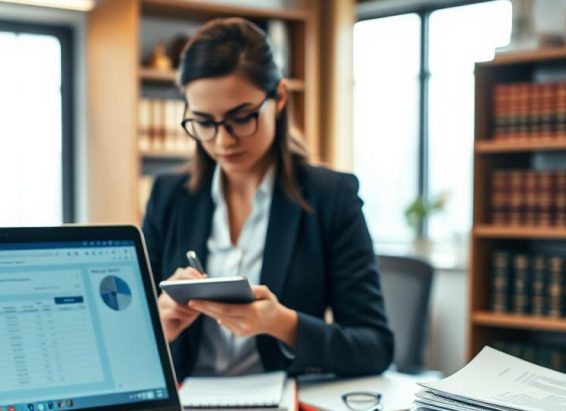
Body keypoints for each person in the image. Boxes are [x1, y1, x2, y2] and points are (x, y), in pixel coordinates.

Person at [142, 17, 393, 381]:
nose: (223, 141)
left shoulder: (330, 197)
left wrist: (284, 324)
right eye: (204, 123)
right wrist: (157, 330)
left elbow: (375, 346)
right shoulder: (169, 196)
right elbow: (125, 337)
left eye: (241, 118)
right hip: (187, 410)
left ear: (279, 98)